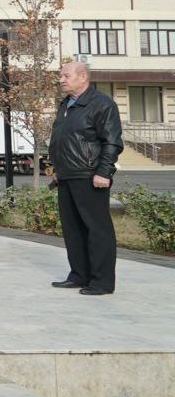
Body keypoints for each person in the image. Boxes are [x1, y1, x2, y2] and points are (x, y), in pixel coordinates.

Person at [49, 62, 123, 296]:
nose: (61, 79)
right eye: (60, 76)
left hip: (90, 176)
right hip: (67, 175)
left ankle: (101, 282)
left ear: (83, 77)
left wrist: (104, 172)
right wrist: (57, 170)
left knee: (97, 229)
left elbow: (112, 141)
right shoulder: (66, 105)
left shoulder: (102, 104)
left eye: (66, 75)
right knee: (73, 229)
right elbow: (63, 140)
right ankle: (79, 275)